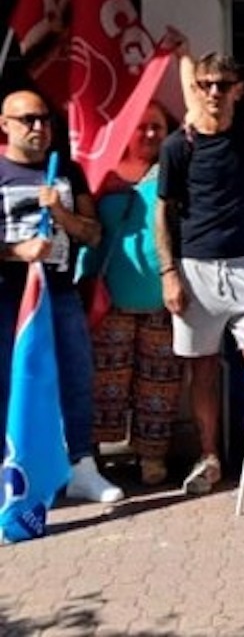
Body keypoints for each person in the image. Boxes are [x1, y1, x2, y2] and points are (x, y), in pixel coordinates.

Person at [156, 51, 244, 499]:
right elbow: (163, 213)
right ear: (197, 89)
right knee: (203, 371)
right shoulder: (179, 145)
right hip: (194, 272)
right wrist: (169, 273)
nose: (214, 91)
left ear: (238, 90)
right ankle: (210, 457)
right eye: (205, 84)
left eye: (223, 84)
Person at [0, 90, 123, 503]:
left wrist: (61, 215)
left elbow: (92, 232)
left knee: (75, 377)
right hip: (9, 298)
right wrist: (16, 252)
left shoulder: (67, 171)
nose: (39, 127)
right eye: (28, 120)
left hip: (59, 293)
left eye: (45, 119)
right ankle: (11, 471)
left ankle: (82, 467)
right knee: (9, 381)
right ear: (5, 125)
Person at [89, 102, 183, 487]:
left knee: (158, 382)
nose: (148, 133)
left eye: (157, 127)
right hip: (110, 298)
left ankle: (152, 459)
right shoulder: (102, 175)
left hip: (162, 297)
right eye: (141, 126)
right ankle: (93, 459)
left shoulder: (175, 173)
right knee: (104, 381)